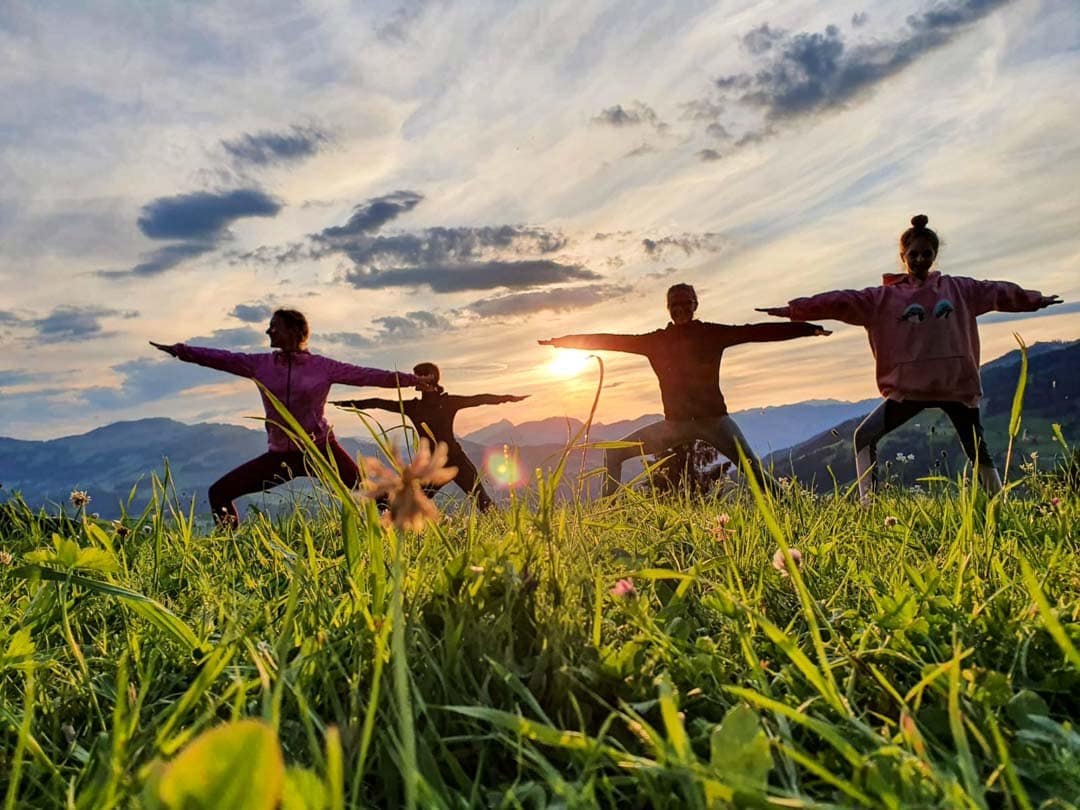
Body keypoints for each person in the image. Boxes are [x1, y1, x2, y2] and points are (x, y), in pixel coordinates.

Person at [757, 214, 1062, 499]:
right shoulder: (885, 298)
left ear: (934, 256)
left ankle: (875, 507)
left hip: (936, 386)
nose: (919, 260)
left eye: (926, 254)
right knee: (874, 437)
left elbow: (997, 291)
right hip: (928, 387)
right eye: (913, 254)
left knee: (970, 447)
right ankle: (872, 509)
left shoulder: (956, 290)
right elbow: (838, 301)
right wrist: (794, 310)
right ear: (903, 257)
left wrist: (1034, 300)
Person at [539, 283, 830, 496]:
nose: (680, 311)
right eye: (675, 306)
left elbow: (756, 331)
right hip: (674, 426)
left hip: (714, 422)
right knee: (613, 455)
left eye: (685, 305)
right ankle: (605, 520)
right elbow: (608, 340)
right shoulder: (656, 341)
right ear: (669, 309)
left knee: (753, 472)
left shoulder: (710, 334)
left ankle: (792, 514)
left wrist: (807, 328)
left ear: (694, 306)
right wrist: (562, 341)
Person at [151, 308, 433, 526]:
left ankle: (408, 535)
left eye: (274, 327)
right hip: (280, 457)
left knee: (376, 496)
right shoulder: (259, 365)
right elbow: (221, 357)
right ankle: (229, 546)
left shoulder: (323, 367)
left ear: (295, 331)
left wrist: (412, 380)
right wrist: (181, 351)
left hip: (321, 450)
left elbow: (368, 375)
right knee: (219, 493)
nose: (268, 331)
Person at [333, 362, 528, 510]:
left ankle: (508, 533)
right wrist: (348, 403)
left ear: (432, 377)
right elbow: (379, 402)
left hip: (456, 461)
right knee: (410, 506)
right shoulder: (413, 406)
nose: (415, 379)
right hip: (431, 467)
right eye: (415, 376)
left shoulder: (448, 402)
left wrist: (509, 398)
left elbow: (480, 399)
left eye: (420, 375)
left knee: (483, 502)